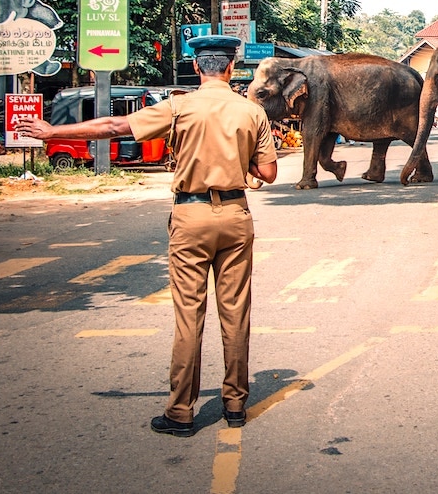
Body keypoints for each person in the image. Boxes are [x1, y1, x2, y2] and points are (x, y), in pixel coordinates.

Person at [14, 35, 278, 437]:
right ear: (229, 68)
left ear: (196, 68)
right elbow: (269, 173)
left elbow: (114, 125)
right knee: (236, 311)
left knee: (189, 314)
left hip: (190, 216)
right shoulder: (252, 111)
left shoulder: (178, 107)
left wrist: (53, 132)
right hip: (236, 216)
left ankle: (181, 412)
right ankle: (236, 403)